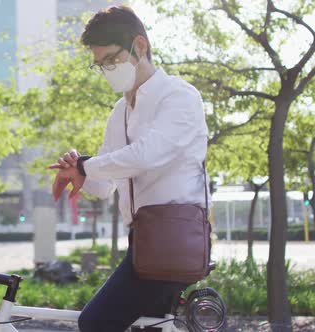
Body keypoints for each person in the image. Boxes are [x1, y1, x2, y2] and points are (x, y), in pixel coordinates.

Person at [48, 5, 210, 332]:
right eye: (100, 65)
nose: (107, 69)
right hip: (144, 242)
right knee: (149, 327)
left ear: (139, 45)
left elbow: (146, 155)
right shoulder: (120, 111)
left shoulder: (179, 96)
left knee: (94, 323)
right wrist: (77, 173)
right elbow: (106, 186)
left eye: (111, 59)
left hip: (174, 240)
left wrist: (87, 166)